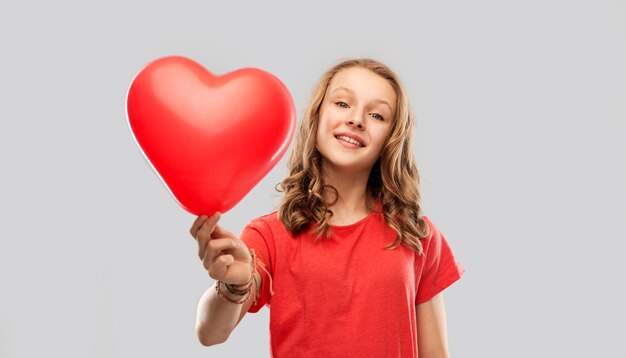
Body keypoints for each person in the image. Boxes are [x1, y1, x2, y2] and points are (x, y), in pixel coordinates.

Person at [189, 58, 464, 357]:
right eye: (343, 103)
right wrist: (235, 285)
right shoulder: (269, 235)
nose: (356, 119)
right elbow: (210, 333)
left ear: (391, 138)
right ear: (317, 117)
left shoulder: (417, 234)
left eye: (376, 114)